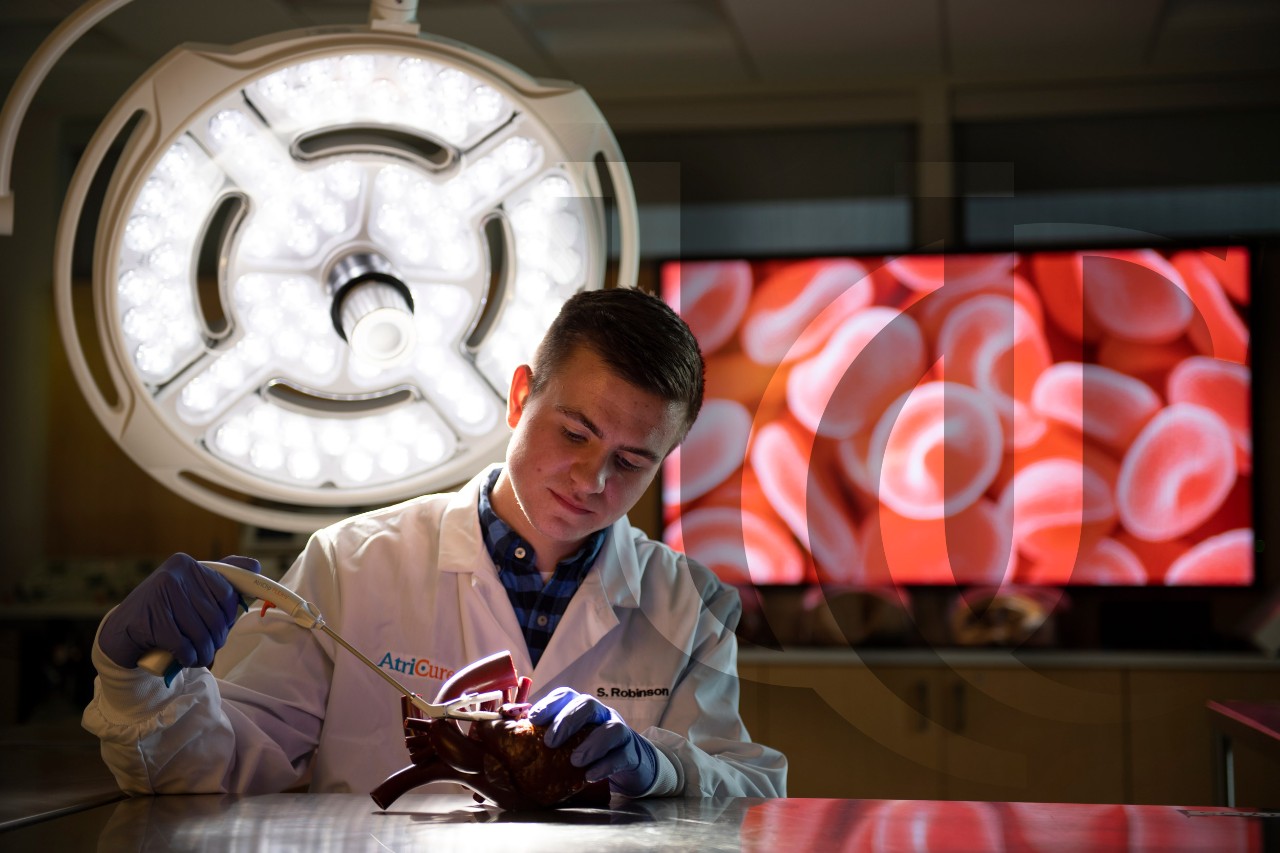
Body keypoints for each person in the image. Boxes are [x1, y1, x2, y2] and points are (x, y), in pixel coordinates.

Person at [83, 286, 787, 800]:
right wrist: (132, 679)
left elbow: (754, 788)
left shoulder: (686, 603)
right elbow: (218, 767)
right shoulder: (351, 563)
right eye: (574, 432)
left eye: (632, 462)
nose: (592, 478)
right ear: (520, 397)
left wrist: (659, 766)